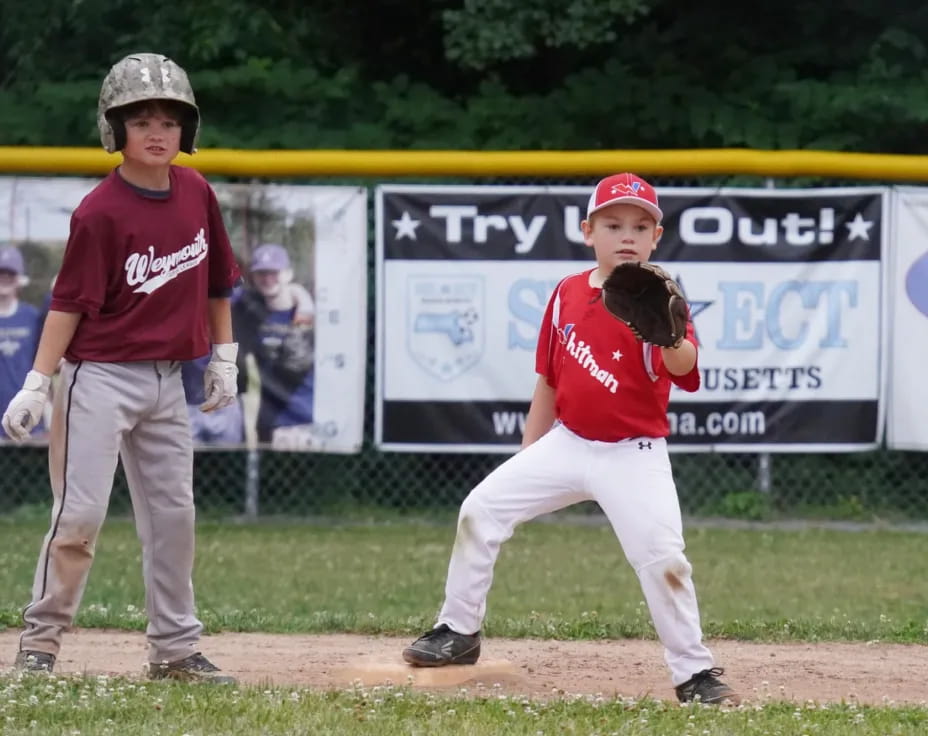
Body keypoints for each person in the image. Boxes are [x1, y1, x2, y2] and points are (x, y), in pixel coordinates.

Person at [402, 173, 740, 705]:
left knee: (663, 559)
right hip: (568, 442)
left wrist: (671, 335)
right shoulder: (566, 293)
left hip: (634, 454)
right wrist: (525, 461)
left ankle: (694, 673)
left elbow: (685, 368)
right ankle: (458, 632)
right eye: (612, 224)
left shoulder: (661, 297)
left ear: (657, 237)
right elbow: (549, 381)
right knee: (481, 508)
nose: (626, 235)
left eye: (640, 226)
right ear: (588, 231)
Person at [0, 53, 241, 683]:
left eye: (169, 119)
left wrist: (225, 357)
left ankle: (175, 650)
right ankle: (42, 642)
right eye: (140, 120)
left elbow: (219, 283)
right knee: (78, 516)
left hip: (168, 381)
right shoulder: (100, 211)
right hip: (98, 378)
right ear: (116, 130)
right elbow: (67, 304)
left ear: (186, 130)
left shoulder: (196, 192)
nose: (156, 132)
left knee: (173, 518)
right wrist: (37, 380)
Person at [233, 243, 315, 444]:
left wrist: (305, 307)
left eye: (274, 272)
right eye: (261, 273)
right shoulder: (249, 310)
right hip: (269, 420)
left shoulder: (311, 313)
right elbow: (216, 293)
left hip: (305, 417)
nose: (268, 279)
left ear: (288, 274)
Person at [0, 246, 45, 439]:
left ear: (19, 279)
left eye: (11, 273)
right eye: (1, 273)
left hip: (26, 417)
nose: (5, 278)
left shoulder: (32, 317)